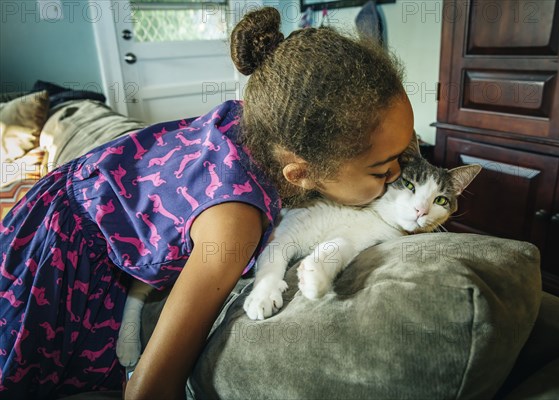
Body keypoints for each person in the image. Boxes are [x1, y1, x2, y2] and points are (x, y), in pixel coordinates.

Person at [0, 7, 414, 399]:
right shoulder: (234, 223)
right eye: (383, 169)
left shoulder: (260, 125)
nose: (398, 174)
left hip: (58, 197)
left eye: (404, 155)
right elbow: (148, 388)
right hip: (55, 261)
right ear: (301, 173)